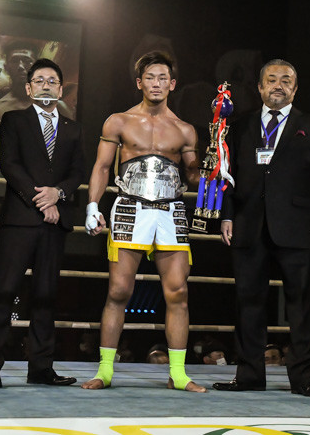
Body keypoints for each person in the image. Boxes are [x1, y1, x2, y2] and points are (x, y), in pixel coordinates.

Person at [213, 59, 310, 398]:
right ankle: (249, 374)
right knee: (248, 301)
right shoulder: (240, 125)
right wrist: (227, 216)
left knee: (303, 304)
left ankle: (304, 377)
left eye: (285, 80)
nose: (278, 85)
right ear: (260, 87)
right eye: (271, 79)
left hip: (298, 226)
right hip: (248, 224)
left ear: (295, 90)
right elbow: (229, 175)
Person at [82, 51, 205, 393]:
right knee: (118, 291)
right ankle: (105, 370)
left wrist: (215, 169)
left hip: (170, 211)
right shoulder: (118, 121)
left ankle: (178, 374)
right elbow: (102, 167)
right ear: (139, 82)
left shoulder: (185, 130)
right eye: (150, 77)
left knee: (178, 292)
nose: (156, 83)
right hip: (129, 208)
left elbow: (193, 176)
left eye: (163, 78)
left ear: (172, 84)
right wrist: (92, 206)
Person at [0, 58, 86, 388]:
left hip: (55, 222)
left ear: (61, 89)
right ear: (28, 88)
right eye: (39, 80)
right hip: (19, 220)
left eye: (52, 81)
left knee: (46, 296)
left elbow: (77, 173)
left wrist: (58, 194)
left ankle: (41, 367)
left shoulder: (73, 129)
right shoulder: (13, 120)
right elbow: (10, 165)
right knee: (3, 292)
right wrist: (42, 200)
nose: (46, 85)